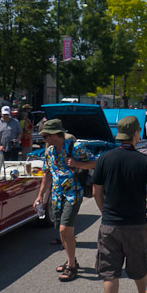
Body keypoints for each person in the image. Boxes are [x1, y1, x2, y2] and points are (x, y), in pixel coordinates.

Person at [92, 116, 147, 293]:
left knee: (110, 272)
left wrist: (106, 212)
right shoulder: (145, 161)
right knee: (139, 265)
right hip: (136, 224)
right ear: (135, 135)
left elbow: (96, 192)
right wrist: (140, 192)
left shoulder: (104, 158)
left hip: (110, 223)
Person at [33, 119, 95, 281]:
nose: (43, 139)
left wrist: (77, 163)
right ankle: (71, 259)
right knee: (62, 231)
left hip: (73, 194)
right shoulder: (49, 151)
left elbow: (94, 162)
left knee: (64, 229)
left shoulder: (75, 147)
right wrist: (40, 196)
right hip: (56, 195)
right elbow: (47, 174)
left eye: (45, 135)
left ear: (55, 135)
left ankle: (72, 267)